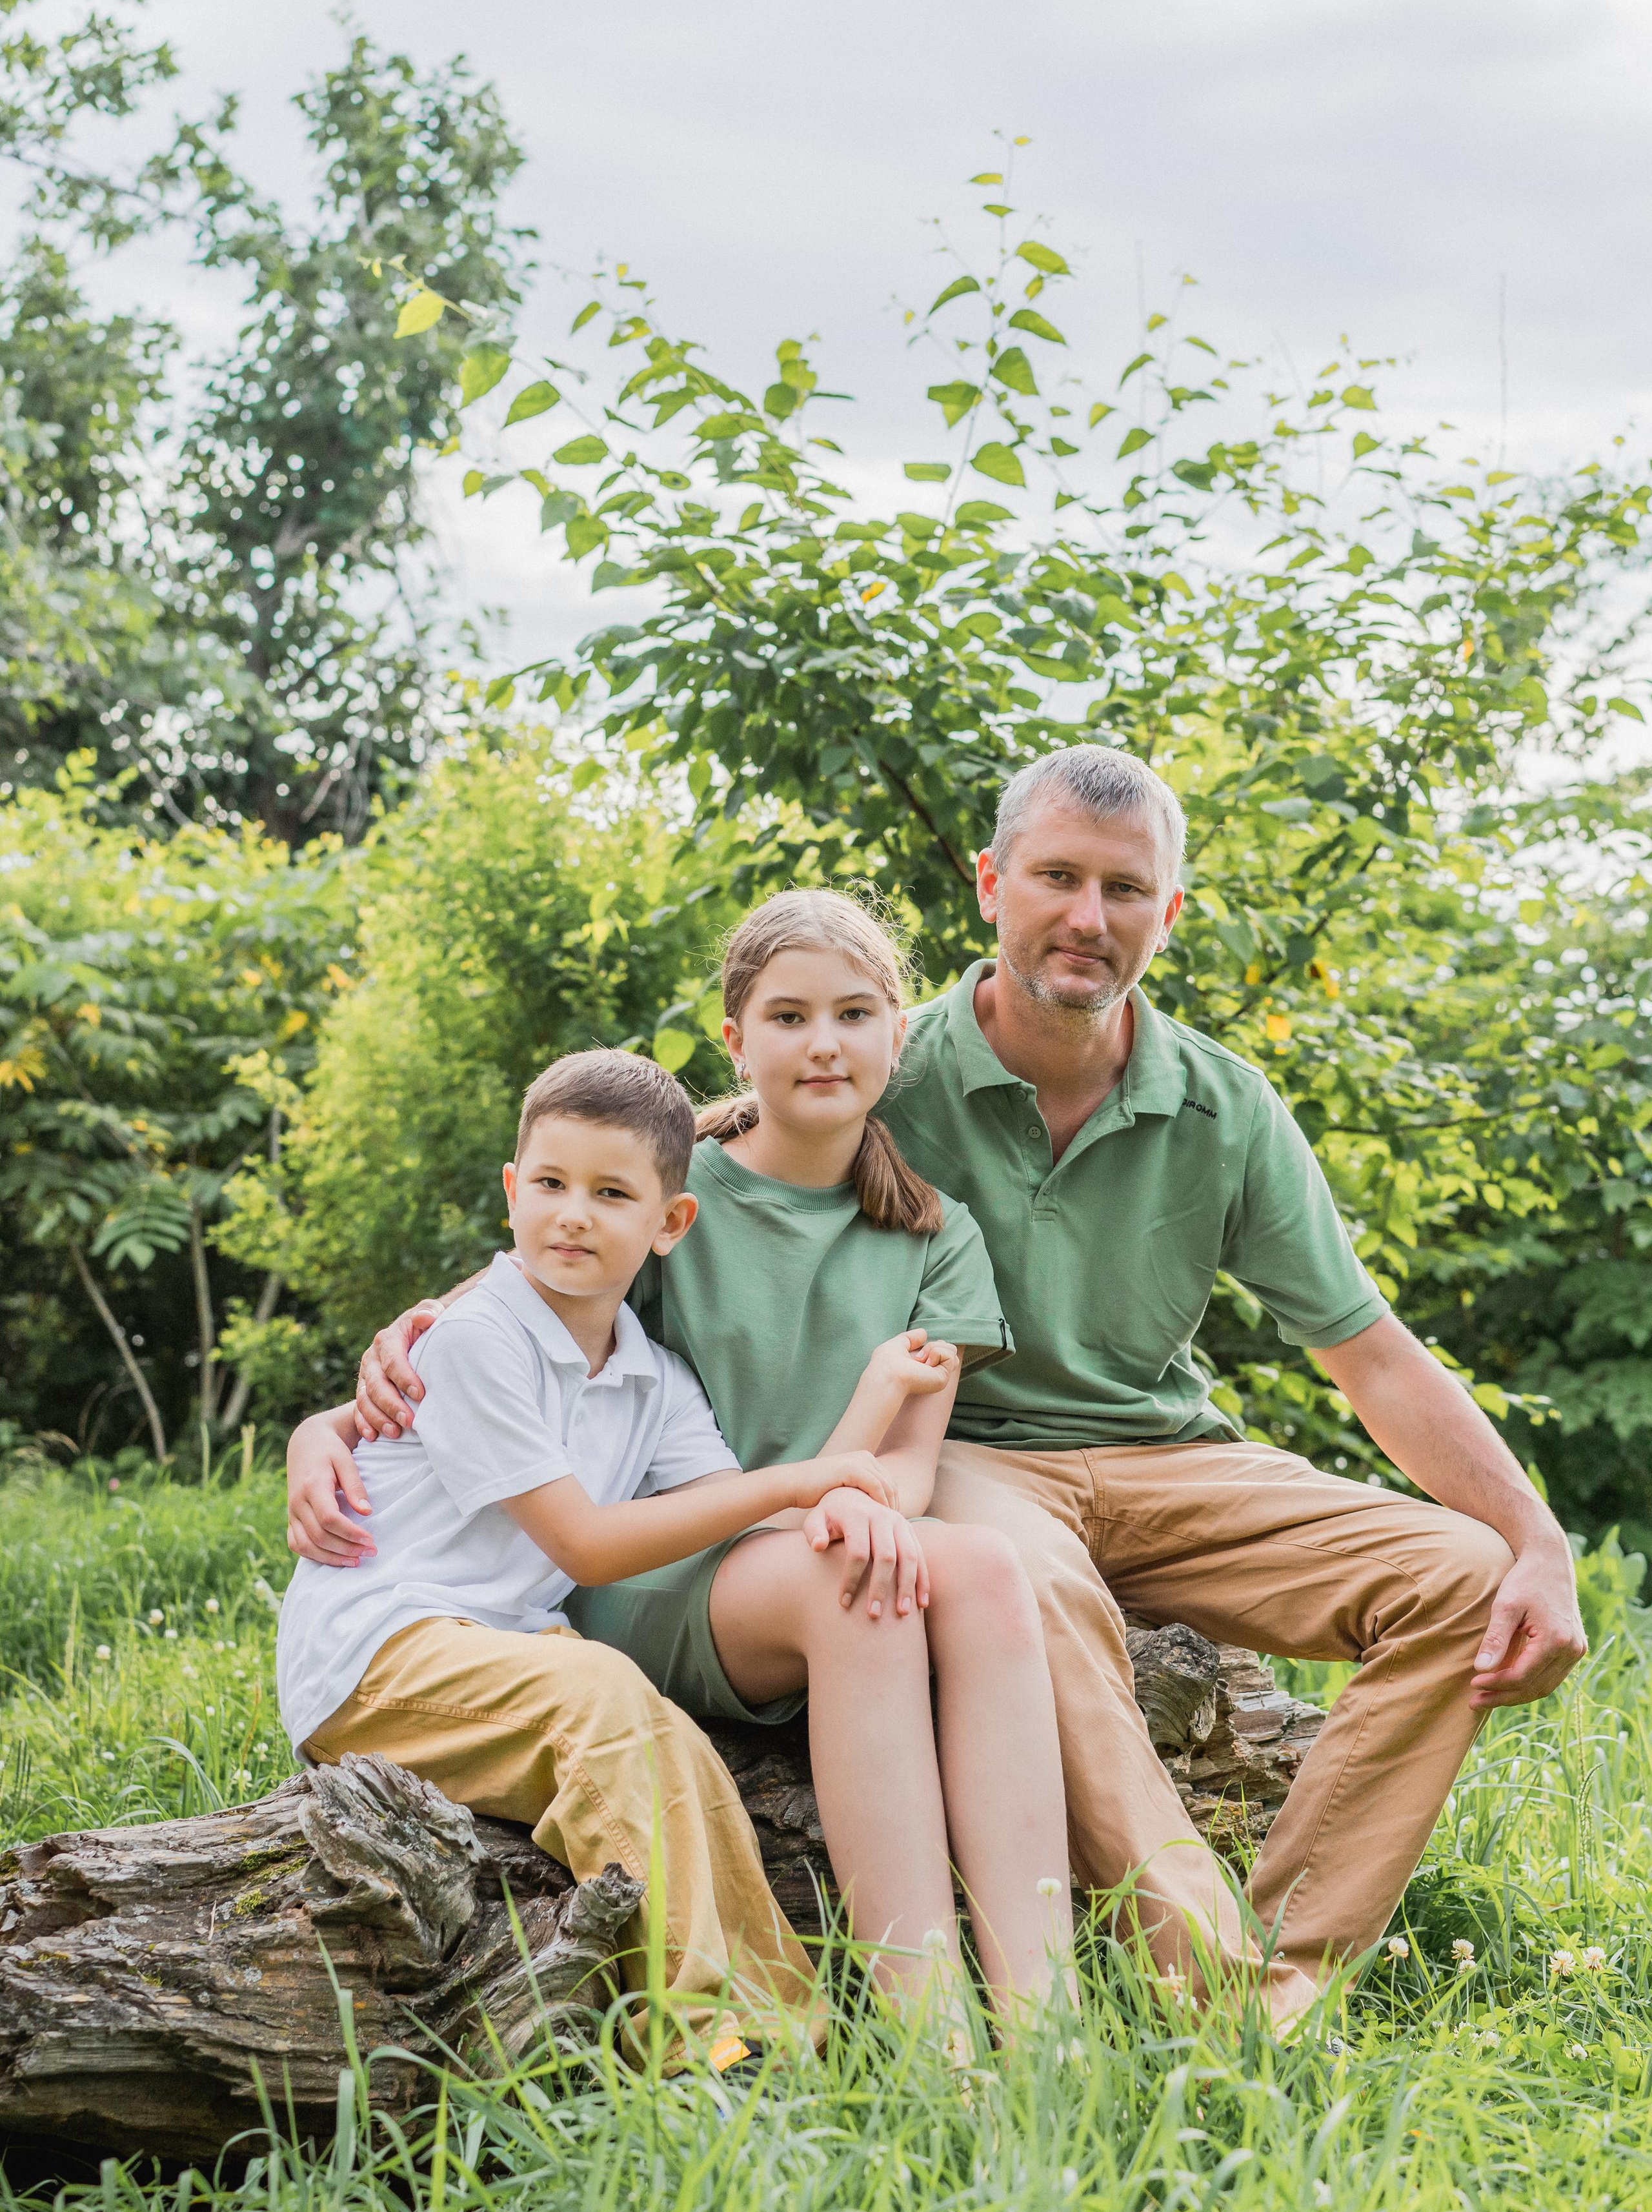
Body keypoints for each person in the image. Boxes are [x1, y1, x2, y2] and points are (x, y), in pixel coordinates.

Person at [341, 750, 1589, 2024]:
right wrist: (401, 1355)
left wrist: (1533, 1537)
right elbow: (642, 1189)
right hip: (969, 1465)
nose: (1085, 917)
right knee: (1017, 1576)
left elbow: (1368, 1349)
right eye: (1054, 877)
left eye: (1123, 888)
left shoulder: (1223, 1108)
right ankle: (1201, 1982)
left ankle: (1288, 1978)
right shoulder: (891, 1059)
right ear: (993, 886)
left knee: (1460, 1580)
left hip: (1167, 1460)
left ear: (1169, 913)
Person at [285, 933, 1078, 2042]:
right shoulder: (651, 1185)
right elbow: (491, 1325)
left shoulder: (918, 1242)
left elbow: (840, 1480)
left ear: (899, 1034)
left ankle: (1047, 2025)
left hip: (754, 1541)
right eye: (788, 1015)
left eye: (854, 1014)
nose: (820, 1043)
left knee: (983, 1565)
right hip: (620, 1584)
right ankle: (921, 2031)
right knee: (847, 1587)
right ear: (737, 1041)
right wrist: (321, 1425)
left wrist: (846, 1475)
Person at [279, 1046, 903, 2070]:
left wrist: (864, 1430)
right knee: (603, 1698)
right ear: (513, 1193)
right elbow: (585, 1543)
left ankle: (791, 2037)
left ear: (669, 1225)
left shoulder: (650, 1378)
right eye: (553, 1185)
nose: (573, 1214)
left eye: (611, 1193)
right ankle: (704, 2043)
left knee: (673, 1739)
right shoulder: (479, 1338)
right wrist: (804, 1480)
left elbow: (731, 1517)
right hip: (376, 1657)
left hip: (500, 1652)